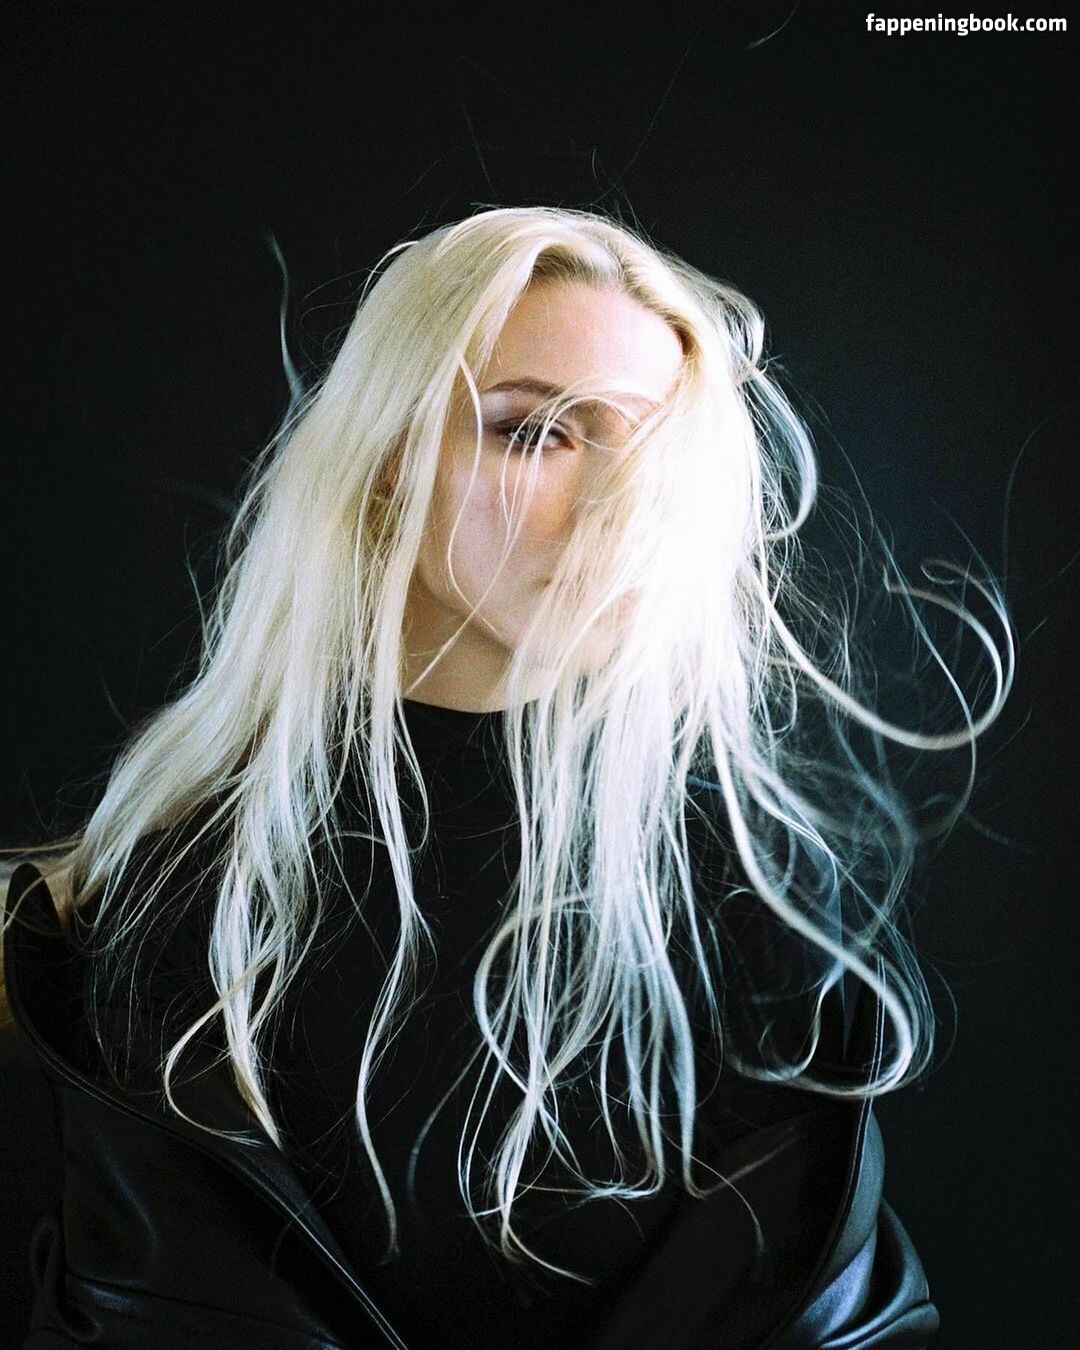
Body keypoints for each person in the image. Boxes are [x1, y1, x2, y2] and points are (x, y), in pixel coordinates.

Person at [1, 205, 1013, 1348]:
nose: (619, 503)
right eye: (538, 432)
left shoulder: (758, 902)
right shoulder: (176, 906)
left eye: (652, 450)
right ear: (390, 459)